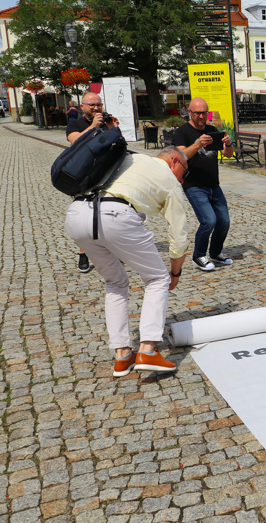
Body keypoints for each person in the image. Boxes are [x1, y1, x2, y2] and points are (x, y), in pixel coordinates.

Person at [65, 146, 190, 377]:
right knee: (157, 278)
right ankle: (148, 350)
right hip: (115, 215)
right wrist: (175, 273)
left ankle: (122, 355)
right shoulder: (170, 180)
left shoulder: (131, 158)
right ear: (174, 161)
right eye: (184, 172)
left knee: (115, 282)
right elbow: (179, 234)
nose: (182, 179)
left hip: (76, 214)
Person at [172, 97, 235, 271]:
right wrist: (198, 143)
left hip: (213, 183)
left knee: (224, 221)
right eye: (197, 113)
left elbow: (228, 154)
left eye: (204, 112)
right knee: (209, 221)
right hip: (194, 184)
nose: (201, 116)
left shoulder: (212, 129)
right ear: (189, 113)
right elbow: (180, 155)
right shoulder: (182, 132)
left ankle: (215, 253)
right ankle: (199, 255)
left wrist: (228, 143)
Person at [66, 91, 120, 273]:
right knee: (84, 218)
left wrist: (113, 129)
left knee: (111, 213)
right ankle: (83, 253)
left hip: (107, 174)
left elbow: (117, 145)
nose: (96, 108)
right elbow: (75, 141)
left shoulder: (106, 122)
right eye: (92, 105)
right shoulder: (76, 123)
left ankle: (112, 250)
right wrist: (93, 127)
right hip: (84, 175)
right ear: (82, 107)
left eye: (99, 104)